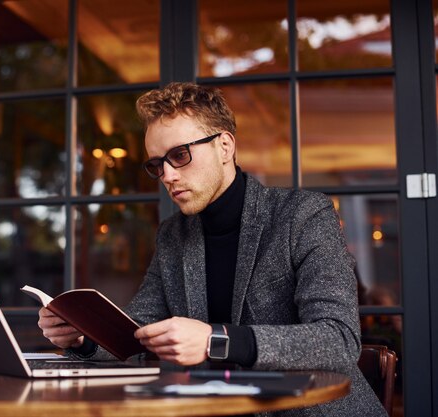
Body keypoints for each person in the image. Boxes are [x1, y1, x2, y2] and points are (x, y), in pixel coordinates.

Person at [38, 82, 387, 416]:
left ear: (225, 146)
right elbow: (135, 335)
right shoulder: (173, 235)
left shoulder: (303, 214)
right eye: (157, 164)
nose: (168, 176)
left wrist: (215, 339)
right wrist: (82, 338)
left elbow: (337, 341)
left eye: (179, 155)